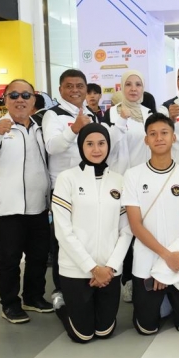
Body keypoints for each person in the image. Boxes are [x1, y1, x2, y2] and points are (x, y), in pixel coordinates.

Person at [0, 79, 52, 323]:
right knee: (9, 259)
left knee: (39, 256)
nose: (20, 100)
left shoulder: (40, 127)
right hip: (7, 208)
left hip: (38, 205)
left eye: (26, 95)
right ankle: (9, 303)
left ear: (33, 100)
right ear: (5, 100)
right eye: (14, 95)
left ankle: (33, 297)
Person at [51, 123, 131, 343]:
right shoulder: (67, 179)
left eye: (101, 143)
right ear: (80, 146)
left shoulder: (119, 181)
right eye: (90, 144)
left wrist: (110, 267)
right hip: (76, 269)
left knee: (105, 331)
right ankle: (61, 303)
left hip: (110, 270)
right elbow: (63, 231)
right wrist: (92, 268)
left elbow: (126, 230)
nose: (96, 149)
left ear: (108, 145)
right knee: (83, 335)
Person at [123, 113, 179, 334]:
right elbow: (136, 226)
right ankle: (159, 304)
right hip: (147, 262)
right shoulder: (132, 176)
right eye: (153, 134)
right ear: (146, 140)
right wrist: (163, 262)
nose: (159, 138)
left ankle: (169, 303)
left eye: (164, 133)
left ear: (174, 138)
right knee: (146, 328)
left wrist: (170, 262)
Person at [43, 69, 101, 294]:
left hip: (92, 185)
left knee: (87, 237)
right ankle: (61, 290)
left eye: (79, 86)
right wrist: (74, 129)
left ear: (86, 89)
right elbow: (52, 147)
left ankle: (88, 280)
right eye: (69, 86)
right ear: (60, 90)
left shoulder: (91, 114)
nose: (75, 90)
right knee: (64, 240)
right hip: (64, 189)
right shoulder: (53, 115)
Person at [109, 69, 153, 175]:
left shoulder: (149, 113)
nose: (133, 89)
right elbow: (107, 145)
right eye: (128, 84)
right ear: (122, 87)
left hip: (145, 174)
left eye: (138, 85)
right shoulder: (111, 113)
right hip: (120, 175)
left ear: (143, 88)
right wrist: (122, 120)